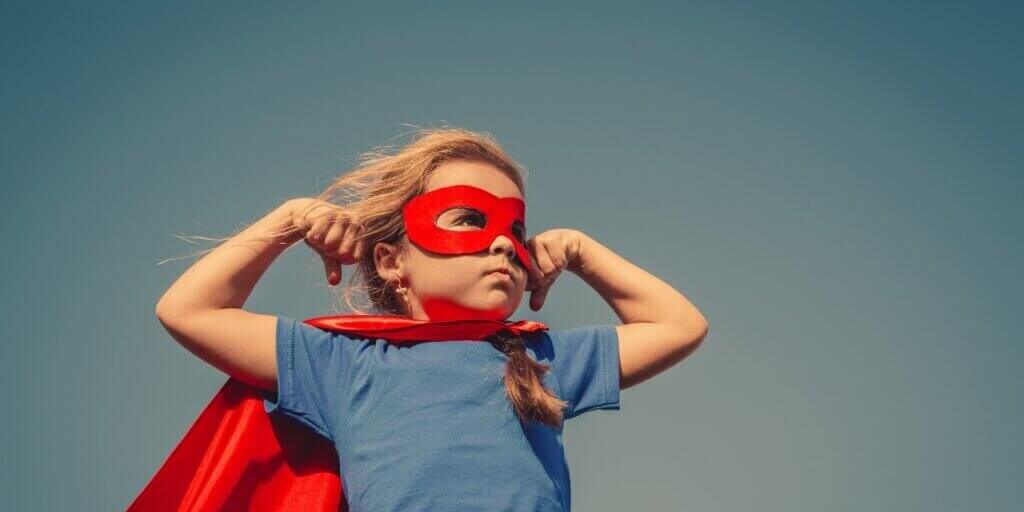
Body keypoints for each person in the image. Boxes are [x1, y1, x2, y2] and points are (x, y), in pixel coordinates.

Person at [149, 127, 709, 511]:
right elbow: (189, 311)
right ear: (392, 261)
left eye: (516, 230)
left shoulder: (538, 359)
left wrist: (582, 250)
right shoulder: (342, 363)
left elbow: (679, 326)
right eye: (468, 218)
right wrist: (290, 220)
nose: (502, 243)